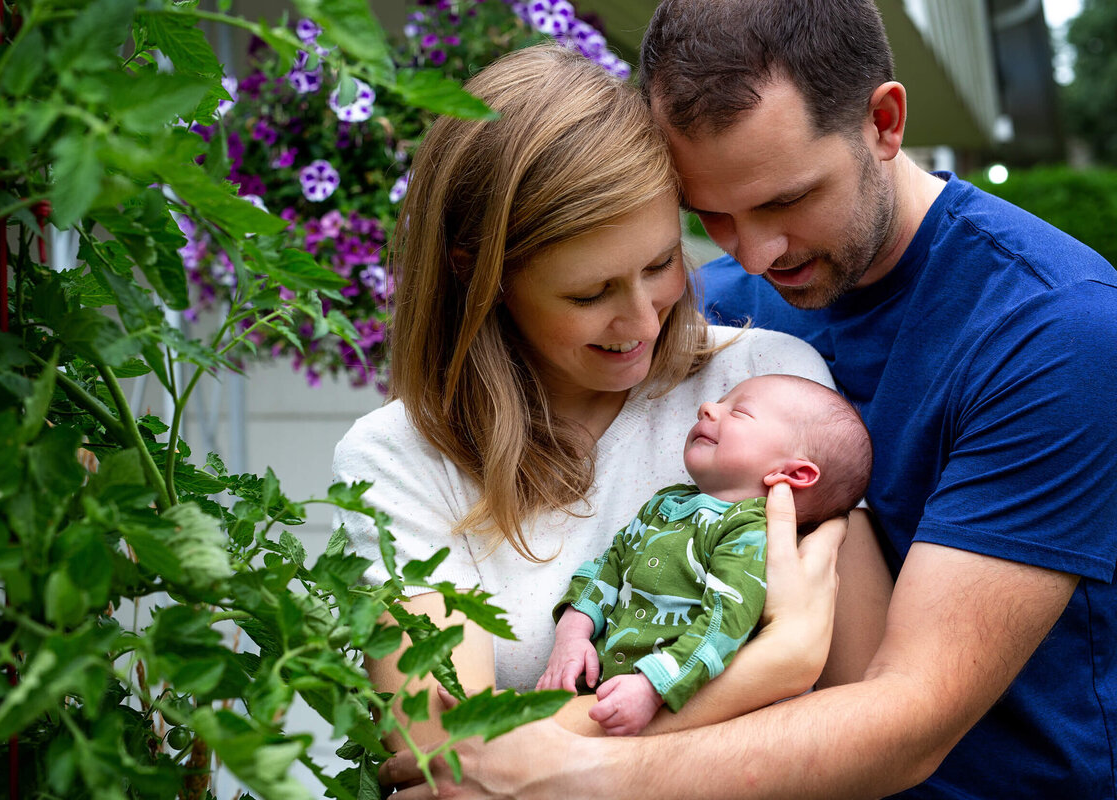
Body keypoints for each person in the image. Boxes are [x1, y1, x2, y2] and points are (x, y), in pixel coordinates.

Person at [378, 1, 1117, 798]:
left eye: (785, 201)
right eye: (712, 217)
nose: (755, 255)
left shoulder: (1053, 329)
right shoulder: (708, 317)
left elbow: (910, 710)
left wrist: (594, 771)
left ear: (885, 122)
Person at [331, 41, 892, 756]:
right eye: (590, 292)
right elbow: (436, 748)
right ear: (480, 274)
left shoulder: (768, 389)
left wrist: (535, 736)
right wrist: (765, 671)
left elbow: (865, 723)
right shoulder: (402, 459)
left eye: (660, 264)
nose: (643, 322)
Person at [538, 374, 872, 737]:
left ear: (793, 473)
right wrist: (573, 634)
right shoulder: (666, 503)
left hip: (677, 717)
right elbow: (610, 564)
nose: (707, 407)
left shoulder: (750, 534)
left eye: (739, 412)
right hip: (591, 699)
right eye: (719, 400)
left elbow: (725, 622)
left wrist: (656, 686)